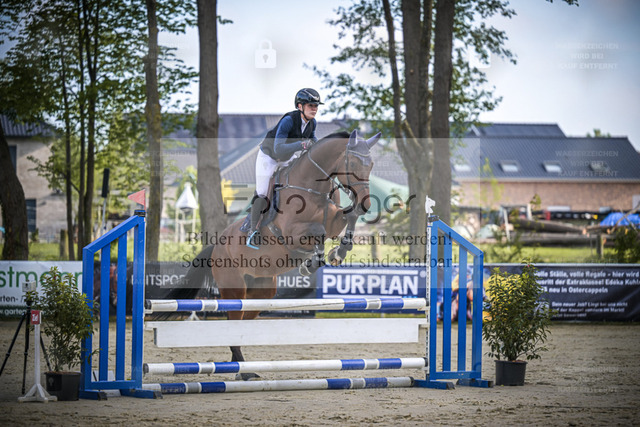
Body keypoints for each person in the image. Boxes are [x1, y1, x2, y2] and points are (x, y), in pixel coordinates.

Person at [246, 88, 324, 249]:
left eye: (316, 106)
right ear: (300, 106)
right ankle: (252, 230)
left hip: (287, 158)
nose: (314, 109)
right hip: (269, 157)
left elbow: (313, 142)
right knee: (262, 192)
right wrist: (302, 144)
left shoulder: (312, 123)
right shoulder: (288, 120)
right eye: (311, 105)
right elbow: (279, 148)